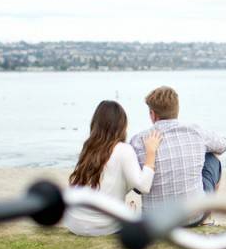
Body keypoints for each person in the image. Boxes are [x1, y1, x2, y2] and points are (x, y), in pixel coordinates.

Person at [129, 86, 226, 224]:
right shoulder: (195, 132)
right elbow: (223, 145)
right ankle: (207, 217)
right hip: (194, 217)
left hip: (155, 221)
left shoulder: (138, 141)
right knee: (212, 159)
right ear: (177, 109)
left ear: (152, 114)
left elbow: (137, 185)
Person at [64, 100, 162, 236]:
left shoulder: (89, 147)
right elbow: (143, 187)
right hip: (104, 225)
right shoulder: (124, 150)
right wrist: (151, 152)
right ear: (122, 125)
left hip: (74, 221)